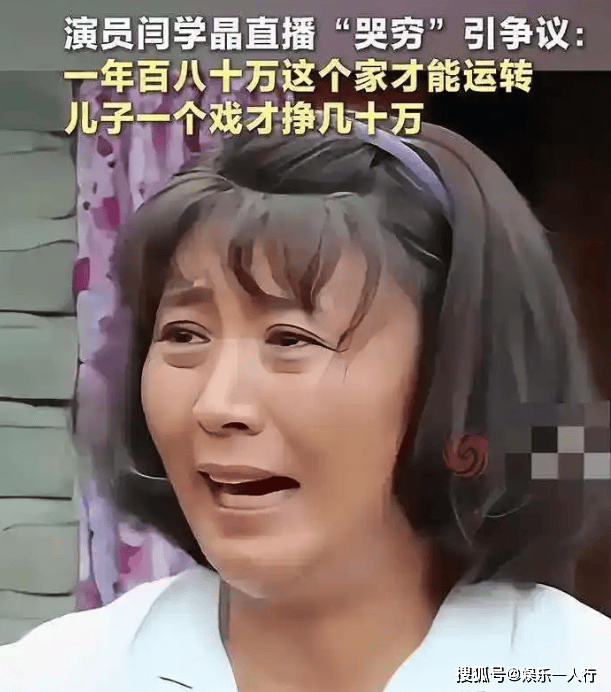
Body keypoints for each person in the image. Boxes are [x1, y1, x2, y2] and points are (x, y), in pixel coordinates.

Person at [1, 115, 610, 692]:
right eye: (184, 335)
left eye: (291, 340)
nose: (216, 405)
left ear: (462, 381)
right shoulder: (54, 676)